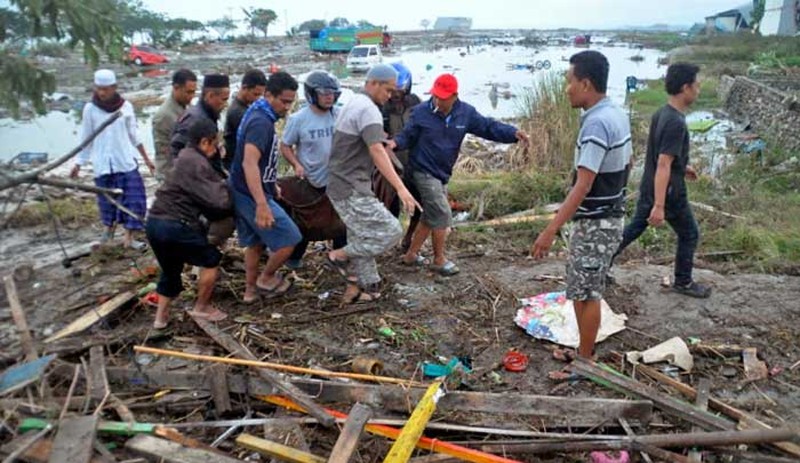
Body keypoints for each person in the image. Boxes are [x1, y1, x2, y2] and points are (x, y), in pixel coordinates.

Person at [531, 51, 632, 378]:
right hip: (609, 216)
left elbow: (583, 184)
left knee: (586, 293)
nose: (566, 88)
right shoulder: (615, 112)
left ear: (585, 83)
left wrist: (550, 230)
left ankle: (586, 363)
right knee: (583, 288)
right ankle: (584, 352)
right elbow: (627, 164)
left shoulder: (598, 122)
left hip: (596, 222)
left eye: (569, 81)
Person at [389, 73, 528, 276]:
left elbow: (488, 127)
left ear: (454, 95)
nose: (438, 100)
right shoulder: (420, 112)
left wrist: (513, 134)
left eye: (443, 97)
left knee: (431, 214)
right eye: (436, 95)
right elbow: (407, 135)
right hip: (421, 170)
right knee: (443, 212)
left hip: (442, 172)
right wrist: (394, 143)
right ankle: (438, 260)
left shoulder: (465, 113)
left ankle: (411, 255)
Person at [612, 63, 711, 299]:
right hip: (668, 192)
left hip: (652, 185)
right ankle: (683, 282)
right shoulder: (676, 122)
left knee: (634, 228)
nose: (698, 90)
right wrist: (659, 205)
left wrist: (682, 166)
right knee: (690, 234)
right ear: (685, 87)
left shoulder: (662, 113)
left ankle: (598, 265)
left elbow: (663, 157)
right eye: (696, 86)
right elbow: (664, 163)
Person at [326, 64, 421, 304]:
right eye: (388, 90)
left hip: (342, 182)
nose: (390, 96)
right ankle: (338, 255)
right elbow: (376, 150)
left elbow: (378, 147)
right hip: (349, 187)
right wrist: (401, 188)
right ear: (373, 83)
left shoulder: (355, 102)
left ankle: (368, 287)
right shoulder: (369, 110)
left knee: (362, 234)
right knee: (391, 230)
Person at [146, 118, 233, 328]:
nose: (217, 147)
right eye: (215, 143)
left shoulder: (184, 156)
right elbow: (219, 201)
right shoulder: (197, 163)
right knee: (211, 259)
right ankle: (202, 307)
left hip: (154, 224)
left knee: (170, 270)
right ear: (205, 142)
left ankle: (160, 319)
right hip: (176, 225)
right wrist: (229, 186)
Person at [229, 71, 302, 304]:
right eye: (284, 101)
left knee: (254, 243)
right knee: (290, 237)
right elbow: (249, 162)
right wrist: (262, 203)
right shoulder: (261, 122)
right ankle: (266, 278)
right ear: (269, 95)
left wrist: (271, 185)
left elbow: (260, 162)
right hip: (249, 193)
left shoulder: (259, 113)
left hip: (244, 188)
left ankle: (250, 292)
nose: (287, 107)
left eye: (291, 102)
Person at [71, 69, 154, 249]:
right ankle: (108, 231)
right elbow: (86, 138)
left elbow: (134, 135)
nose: (102, 93)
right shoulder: (90, 109)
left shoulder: (125, 107)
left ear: (114, 88)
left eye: (106, 89)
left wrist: (147, 159)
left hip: (124, 161)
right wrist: (79, 162)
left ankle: (129, 237)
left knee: (134, 198)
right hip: (103, 164)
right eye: (99, 89)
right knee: (106, 201)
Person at [279, 70, 345, 269]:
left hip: (337, 179)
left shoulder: (339, 114)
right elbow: (285, 145)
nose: (329, 97)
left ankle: (338, 257)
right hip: (310, 180)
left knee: (342, 222)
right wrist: (297, 164)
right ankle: (294, 258)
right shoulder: (298, 119)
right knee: (306, 223)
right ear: (312, 94)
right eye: (324, 93)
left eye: (332, 93)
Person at [378, 62, 422, 251]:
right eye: (393, 90)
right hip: (390, 164)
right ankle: (388, 239)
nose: (396, 95)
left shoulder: (416, 104)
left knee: (418, 204)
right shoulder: (381, 108)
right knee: (390, 206)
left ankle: (409, 238)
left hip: (415, 162)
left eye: (400, 90)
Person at [170, 73, 230, 176]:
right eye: (223, 99)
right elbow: (177, 151)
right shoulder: (194, 119)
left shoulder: (209, 115)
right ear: (210, 95)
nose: (225, 104)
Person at [152, 69, 197, 181]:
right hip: (170, 174)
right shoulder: (164, 116)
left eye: (193, 92)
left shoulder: (185, 106)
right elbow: (165, 152)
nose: (191, 96)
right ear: (176, 88)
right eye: (188, 92)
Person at [223, 69, 267, 172]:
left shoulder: (245, 107)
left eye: (260, 95)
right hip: (235, 166)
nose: (258, 99)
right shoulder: (238, 113)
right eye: (255, 94)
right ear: (244, 88)